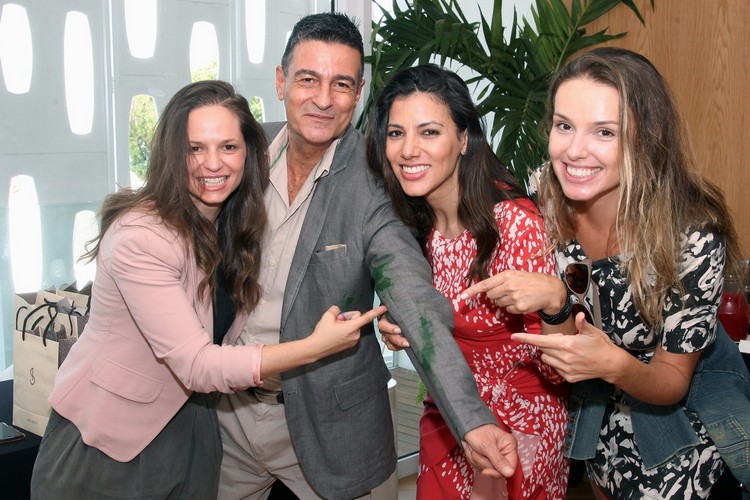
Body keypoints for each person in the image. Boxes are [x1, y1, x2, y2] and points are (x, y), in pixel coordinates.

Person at [28, 80, 385, 499]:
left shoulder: (228, 224)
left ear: (250, 153)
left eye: (228, 147)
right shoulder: (140, 237)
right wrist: (314, 347)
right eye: (194, 148)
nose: (212, 163)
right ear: (170, 153)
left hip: (192, 429)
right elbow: (198, 364)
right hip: (108, 442)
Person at [215, 12, 518, 500]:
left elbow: (414, 299)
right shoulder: (240, 153)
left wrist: (471, 420)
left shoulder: (376, 181)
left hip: (332, 426)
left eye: (341, 84)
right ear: (280, 81)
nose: (323, 99)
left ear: (358, 93)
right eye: (307, 80)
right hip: (227, 416)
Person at [453, 47, 750, 498]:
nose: (574, 151)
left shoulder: (692, 234)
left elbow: (672, 380)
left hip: (687, 446)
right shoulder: (546, 196)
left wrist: (614, 364)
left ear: (645, 138)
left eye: (604, 132)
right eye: (564, 125)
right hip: (598, 435)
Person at [365, 64, 569, 499]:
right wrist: (404, 327)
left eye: (429, 132)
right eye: (396, 133)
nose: (408, 150)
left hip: (518, 425)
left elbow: (558, 372)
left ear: (463, 139)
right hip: (445, 414)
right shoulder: (408, 224)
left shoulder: (514, 225)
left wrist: (556, 304)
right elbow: (430, 325)